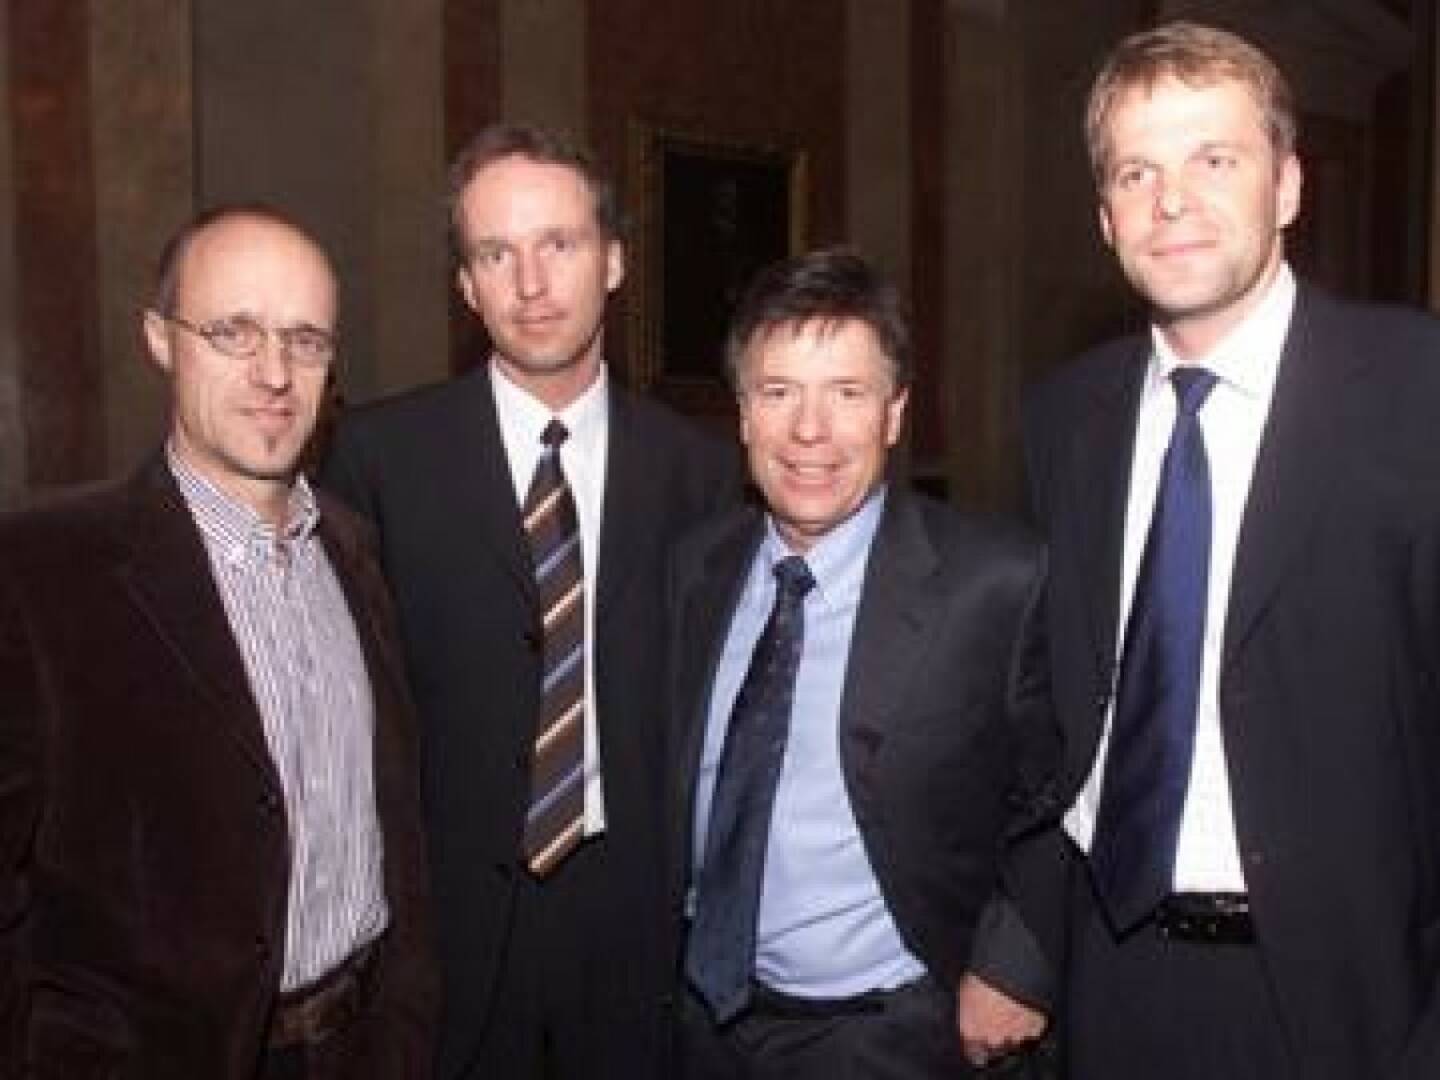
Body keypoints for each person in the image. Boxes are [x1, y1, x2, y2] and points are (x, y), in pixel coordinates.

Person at [1023, 20, 1440, 1079]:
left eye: (1214, 159)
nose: (1172, 201)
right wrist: (1021, 942)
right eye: (1137, 172)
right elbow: (1053, 717)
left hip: (1349, 1000)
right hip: (1109, 973)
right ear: (1106, 218)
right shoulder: (1065, 417)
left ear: (1288, 186)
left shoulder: (1416, 390)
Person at [321, 123, 737, 1080]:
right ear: (466, 287)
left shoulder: (703, 474)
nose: (531, 283)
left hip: (634, 916)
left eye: (560, 243)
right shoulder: (378, 459)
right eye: (495, 253)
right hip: (449, 919)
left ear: (614, 262)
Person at [0, 205, 436, 1078]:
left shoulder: (354, 550)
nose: (274, 373)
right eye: (234, 331)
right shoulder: (41, 572)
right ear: (160, 338)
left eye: (305, 340)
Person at [668, 248, 1053, 1078]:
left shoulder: (996, 582)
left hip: (890, 1037)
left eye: (847, 393)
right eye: (778, 393)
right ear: (742, 414)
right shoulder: (693, 570)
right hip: (697, 1026)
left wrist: (1015, 962)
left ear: (894, 413)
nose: (810, 431)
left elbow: (1063, 789)